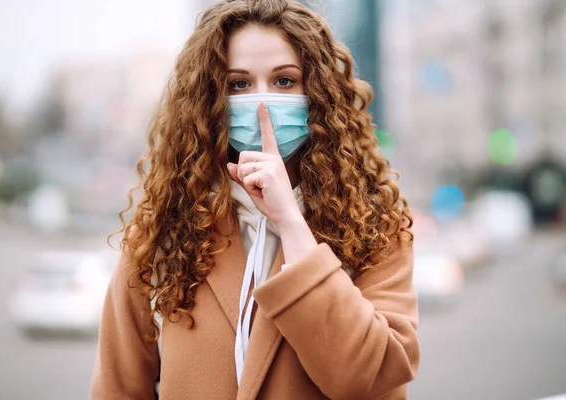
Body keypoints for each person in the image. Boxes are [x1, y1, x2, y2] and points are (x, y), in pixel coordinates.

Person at [90, 0, 420, 398]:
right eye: (239, 84)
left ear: (317, 92)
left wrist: (292, 225)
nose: (262, 103)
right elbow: (118, 388)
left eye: (284, 81)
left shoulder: (374, 226)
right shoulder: (162, 229)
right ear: (210, 99)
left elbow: (371, 378)